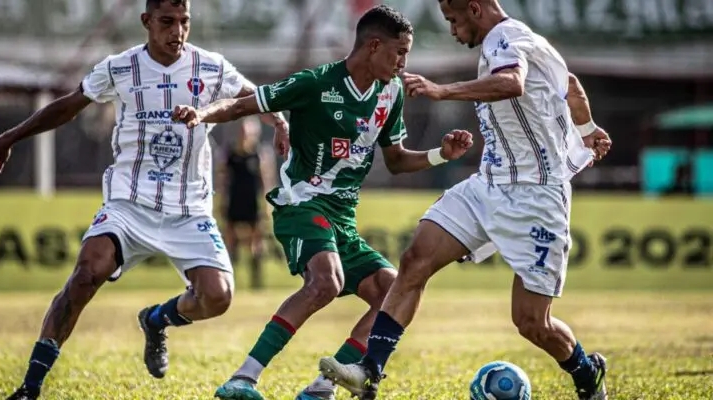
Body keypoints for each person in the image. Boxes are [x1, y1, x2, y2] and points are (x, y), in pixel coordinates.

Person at [0, 1, 288, 399]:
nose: (177, 31)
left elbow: (253, 99)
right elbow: (69, 106)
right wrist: (11, 136)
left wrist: (279, 121)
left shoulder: (211, 66)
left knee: (218, 297)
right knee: (85, 275)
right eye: (167, 22)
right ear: (147, 21)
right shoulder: (119, 67)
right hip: (128, 203)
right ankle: (30, 386)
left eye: (184, 22)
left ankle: (157, 319)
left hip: (188, 210)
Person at [171, 5, 473, 400]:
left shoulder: (391, 92)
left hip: (342, 218)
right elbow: (242, 105)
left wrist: (440, 155)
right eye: (399, 52)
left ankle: (322, 387)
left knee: (394, 293)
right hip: (302, 203)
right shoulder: (315, 83)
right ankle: (242, 379)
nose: (403, 63)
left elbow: (396, 160)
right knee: (326, 282)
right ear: (374, 46)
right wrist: (202, 113)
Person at [319, 1, 613, 400]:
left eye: (454, 21)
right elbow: (571, 84)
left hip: (537, 197)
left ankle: (586, 372)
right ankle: (369, 370)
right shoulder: (530, 41)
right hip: (489, 184)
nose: (454, 32)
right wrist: (589, 128)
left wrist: (441, 91)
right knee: (415, 260)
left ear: (474, 8)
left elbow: (512, 83)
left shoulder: (504, 39)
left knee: (532, 323)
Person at [216, 116, 276, 289]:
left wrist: (267, 206)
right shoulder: (229, 154)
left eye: (247, 132)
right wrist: (221, 202)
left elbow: (266, 181)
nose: (244, 135)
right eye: (242, 131)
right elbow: (222, 180)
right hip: (234, 201)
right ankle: (228, 281)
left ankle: (256, 282)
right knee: (230, 242)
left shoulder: (259, 154)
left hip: (252, 202)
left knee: (256, 243)